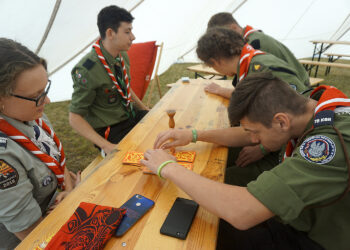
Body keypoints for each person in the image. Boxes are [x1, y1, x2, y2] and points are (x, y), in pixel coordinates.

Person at [141, 72, 350, 250]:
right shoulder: (307, 107)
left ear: (281, 121)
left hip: (319, 240)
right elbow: (248, 132)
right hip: (306, 218)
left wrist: (168, 167)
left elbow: (242, 212)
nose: (251, 140)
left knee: (204, 229)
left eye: (254, 132)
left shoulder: (329, 145)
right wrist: (195, 135)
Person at [0, 38, 79, 249]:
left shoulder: (33, 115)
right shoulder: (3, 154)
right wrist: (69, 204)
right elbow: (31, 233)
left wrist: (70, 190)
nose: (48, 101)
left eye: (46, 89)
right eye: (37, 96)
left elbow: (56, 162)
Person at [197, 27, 310, 169]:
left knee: (222, 174)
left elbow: (298, 113)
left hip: (291, 149)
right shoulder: (250, 63)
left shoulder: (265, 68)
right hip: (271, 137)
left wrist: (263, 148)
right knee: (213, 153)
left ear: (216, 62)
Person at [69, 5, 149, 156]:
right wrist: (106, 145)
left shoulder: (122, 55)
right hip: (110, 129)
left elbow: (124, 88)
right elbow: (74, 118)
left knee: (160, 128)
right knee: (138, 158)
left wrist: (145, 110)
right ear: (110, 33)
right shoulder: (87, 70)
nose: (133, 37)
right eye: (127, 32)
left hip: (129, 116)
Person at [205, 12, 310, 95]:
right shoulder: (253, 38)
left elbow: (251, 94)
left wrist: (220, 90)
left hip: (298, 91)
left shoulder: (254, 44)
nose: (222, 42)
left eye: (223, 37)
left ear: (233, 28)